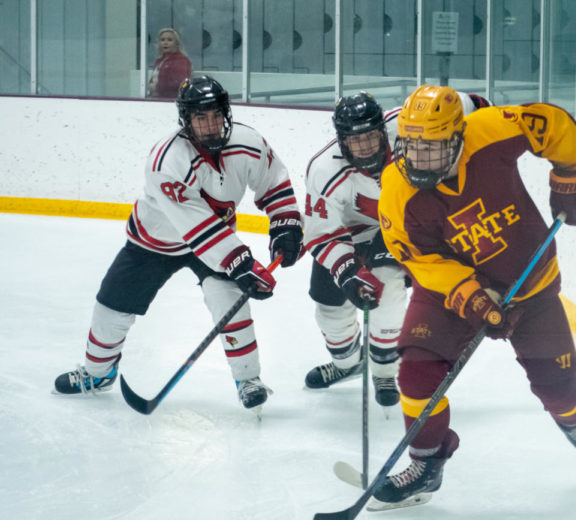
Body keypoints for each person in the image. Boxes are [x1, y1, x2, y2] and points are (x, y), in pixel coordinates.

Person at [373, 85, 576, 507]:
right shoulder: (397, 188)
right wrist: (472, 296)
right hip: (452, 291)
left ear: (457, 136)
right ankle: (426, 464)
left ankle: (575, 424)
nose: (417, 160)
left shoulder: (488, 131)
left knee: (557, 385)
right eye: (410, 147)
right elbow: (420, 259)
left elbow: (552, 124)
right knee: (415, 373)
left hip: (531, 283)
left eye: (430, 149)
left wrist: (573, 173)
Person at [53, 76, 304, 411]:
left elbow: (273, 182)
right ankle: (97, 373)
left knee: (229, 300)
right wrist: (242, 264)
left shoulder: (249, 142)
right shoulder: (167, 161)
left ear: (225, 113)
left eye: (215, 115)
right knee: (111, 307)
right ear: (186, 121)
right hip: (153, 244)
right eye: (201, 118)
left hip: (216, 240)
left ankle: (248, 379)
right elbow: (195, 225)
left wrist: (285, 224)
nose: (210, 125)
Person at [302, 90, 492, 407]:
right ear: (341, 139)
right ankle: (348, 365)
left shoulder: (407, 127)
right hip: (346, 236)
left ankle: (384, 371)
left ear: (383, 128)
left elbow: (462, 104)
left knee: (388, 289)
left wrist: (492, 117)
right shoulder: (323, 170)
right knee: (329, 309)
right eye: (354, 139)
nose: (364, 146)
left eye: (370, 136)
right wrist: (347, 273)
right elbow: (322, 234)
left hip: (399, 226)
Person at [148, 27, 192, 99]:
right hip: (156, 99)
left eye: (169, 40)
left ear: (177, 43)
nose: (165, 43)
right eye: (162, 40)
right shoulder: (159, 61)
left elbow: (181, 84)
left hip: (171, 101)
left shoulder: (182, 60)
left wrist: (157, 87)